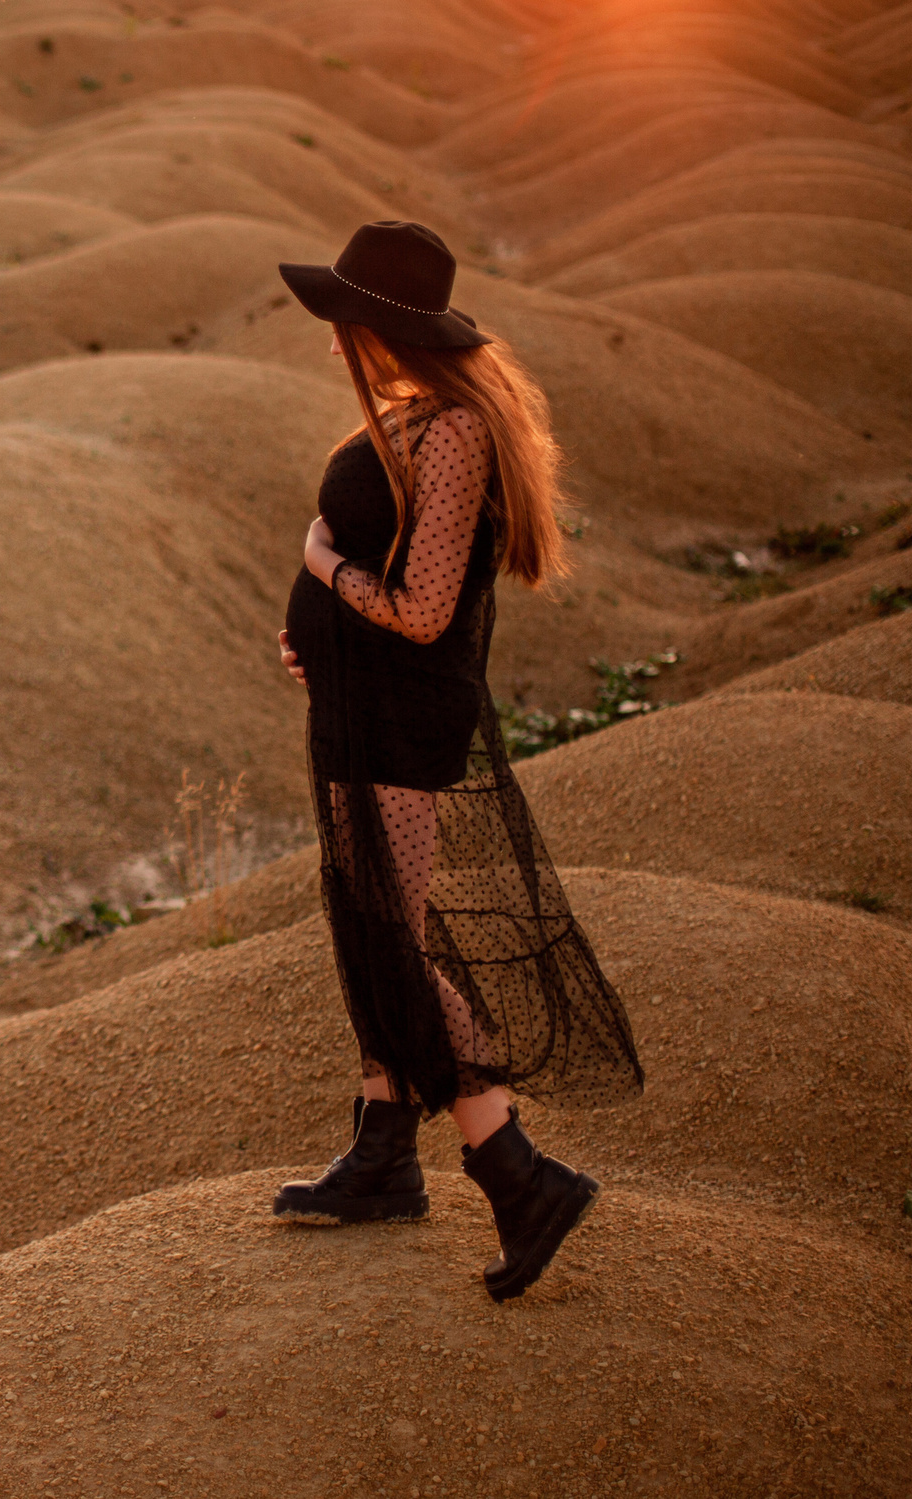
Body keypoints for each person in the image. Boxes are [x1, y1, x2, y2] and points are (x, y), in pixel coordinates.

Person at [268, 220, 644, 1302]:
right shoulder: (420, 418)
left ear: (381, 327)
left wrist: (321, 568)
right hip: (360, 705)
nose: (337, 336)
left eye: (347, 317)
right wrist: (320, 635)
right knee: (368, 920)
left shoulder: (455, 435)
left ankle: (514, 1171)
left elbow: (425, 611)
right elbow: (390, 592)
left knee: (391, 936)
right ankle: (384, 1153)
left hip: (401, 718)